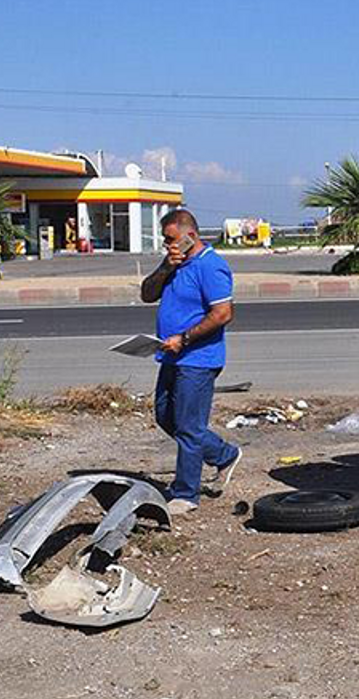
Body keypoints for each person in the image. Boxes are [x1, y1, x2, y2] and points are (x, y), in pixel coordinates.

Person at [141, 209, 242, 514]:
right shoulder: (174, 263)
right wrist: (164, 268)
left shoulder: (211, 266)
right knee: (165, 416)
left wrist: (184, 339)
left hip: (198, 358)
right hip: (170, 355)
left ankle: (185, 493)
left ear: (191, 236)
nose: (166, 244)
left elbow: (223, 314)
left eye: (171, 239)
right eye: (164, 239)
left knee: (189, 426)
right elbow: (147, 294)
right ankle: (224, 455)